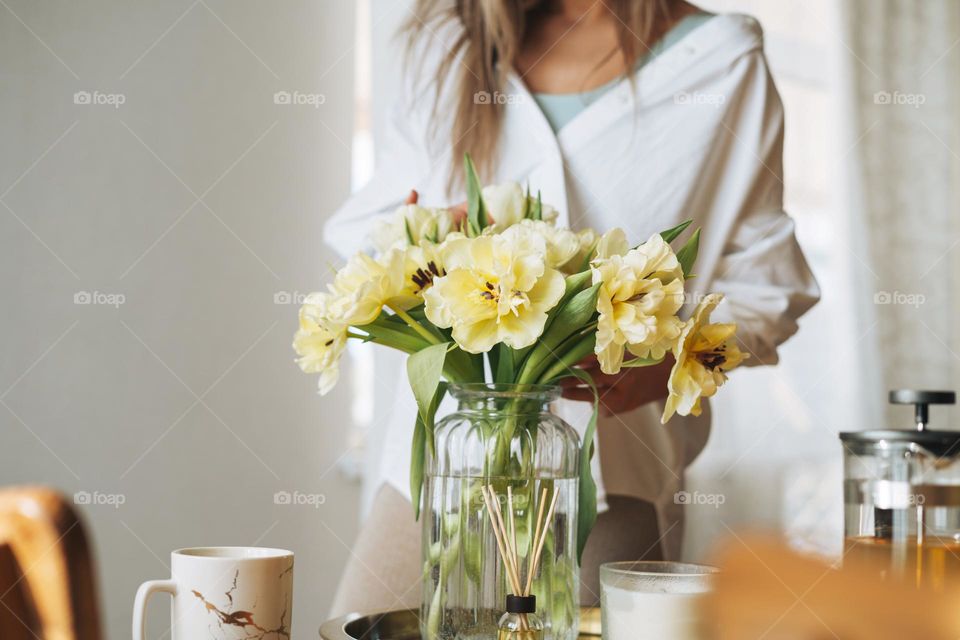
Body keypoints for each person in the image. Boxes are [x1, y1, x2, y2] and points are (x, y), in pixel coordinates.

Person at [323, 0, 820, 614]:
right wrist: (420, 234)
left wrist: (661, 370)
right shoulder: (447, 45)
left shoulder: (720, 60)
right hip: (439, 469)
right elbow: (367, 230)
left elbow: (769, 285)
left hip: (610, 473)